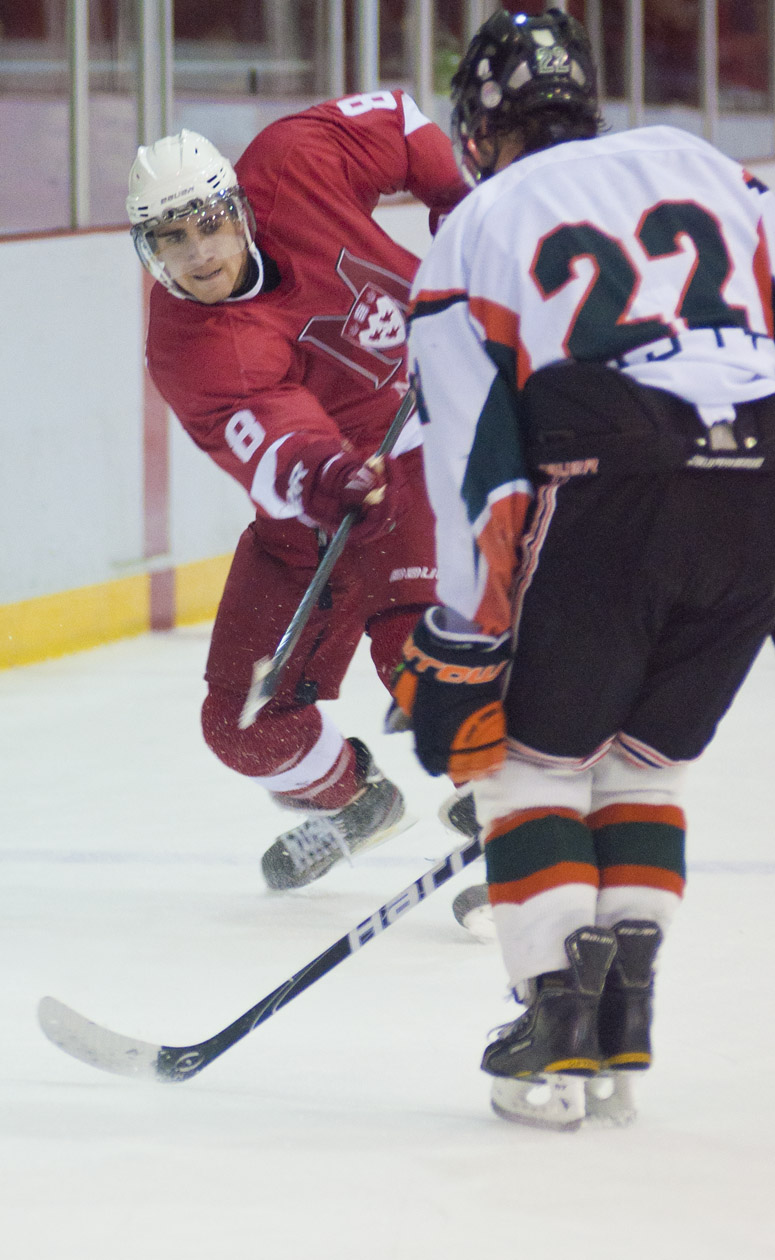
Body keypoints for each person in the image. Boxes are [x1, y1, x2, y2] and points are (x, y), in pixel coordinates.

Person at [390, 8, 775, 1130]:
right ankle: (622, 1013)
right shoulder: (699, 161)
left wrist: (466, 649)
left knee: (530, 767)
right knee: (643, 763)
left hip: (610, 480)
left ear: (480, 124)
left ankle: (556, 1023)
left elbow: (485, 474)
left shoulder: (472, 229)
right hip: (760, 479)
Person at [126, 90, 469, 890]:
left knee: (418, 658)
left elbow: (399, 120)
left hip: (422, 457)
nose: (199, 255)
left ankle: (512, 807)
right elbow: (273, 432)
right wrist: (329, 472)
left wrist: (458, 201)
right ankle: (362, 800)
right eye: (171, 240)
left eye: (207, 222)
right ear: (151, 252)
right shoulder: (188, 342)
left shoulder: (294, 161)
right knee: (241, 725)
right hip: (313, 514)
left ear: (237, 206)